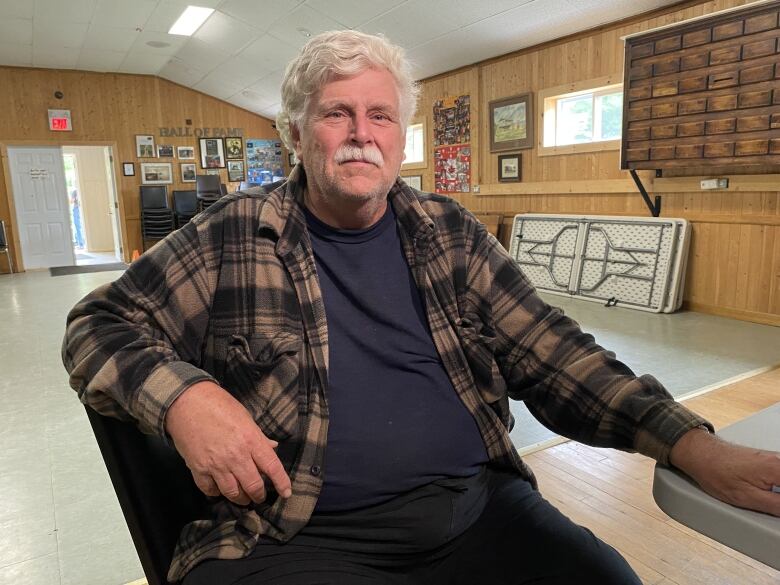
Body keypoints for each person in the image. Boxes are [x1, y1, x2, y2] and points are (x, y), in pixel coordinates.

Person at [62, 30, 780, 585]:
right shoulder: (235, 231)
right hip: (295, 536)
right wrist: (187, 400)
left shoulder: (449, 233)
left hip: (476, 512)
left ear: (400, 135)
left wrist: (692, 444)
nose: (359, 133)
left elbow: (558, 354)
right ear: (296, 132)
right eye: (336, 114)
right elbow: (96, 327)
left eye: (380, 115)